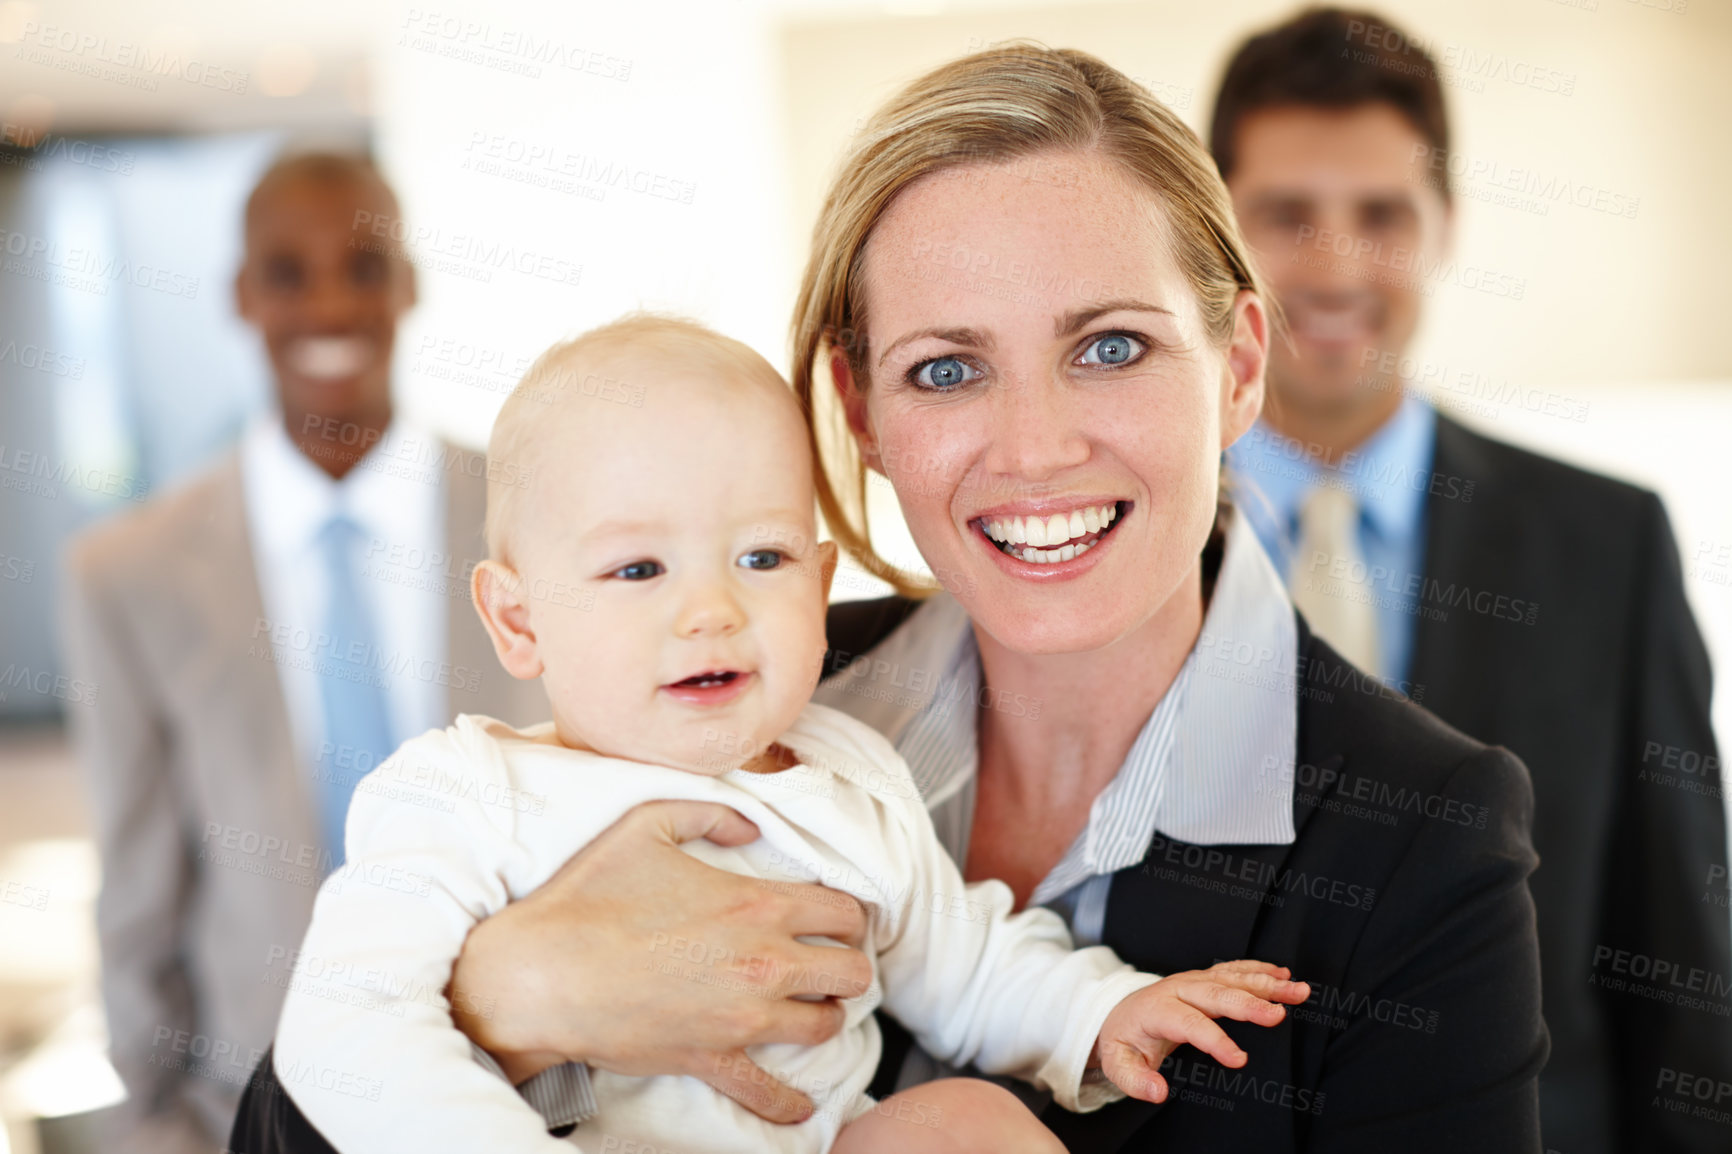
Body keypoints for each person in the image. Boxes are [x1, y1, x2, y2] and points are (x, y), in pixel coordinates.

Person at [233, 45, 1548, 1153]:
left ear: (1239, 365)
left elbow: (970, 962)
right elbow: (299, 1101)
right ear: (859, 410)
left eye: (1110, 346)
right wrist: (515, 996)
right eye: (945, 370)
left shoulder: (1428, 850)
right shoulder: (755, 702)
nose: (1032, 448)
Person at [271, 314, 1312, 1154]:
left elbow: (964, 961)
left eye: (761, 558)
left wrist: (1101, 1014)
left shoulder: (849, 770)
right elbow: (344, 1027)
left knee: (971, 1124)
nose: (711, 610)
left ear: (819, 588)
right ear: (517, 619)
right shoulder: (464, 796)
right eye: (639, 570)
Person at [1210, 10, 1732, 1152]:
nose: (1336, 264)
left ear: (1446, 228)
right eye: (1287, 215)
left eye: (1382, 215)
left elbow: (1684, 964)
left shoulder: (1611, 543)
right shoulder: (1119, 538)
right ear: (1215, 237)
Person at [59, 152, 544, 1154]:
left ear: (409, 284)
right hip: (248, 1109)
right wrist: (151, 1123)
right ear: (243, 295)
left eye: (363, 268)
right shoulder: (130, 573)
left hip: (537, 1087)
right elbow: (139, 886)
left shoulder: (538, 517)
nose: (330, 301)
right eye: (288, 271)